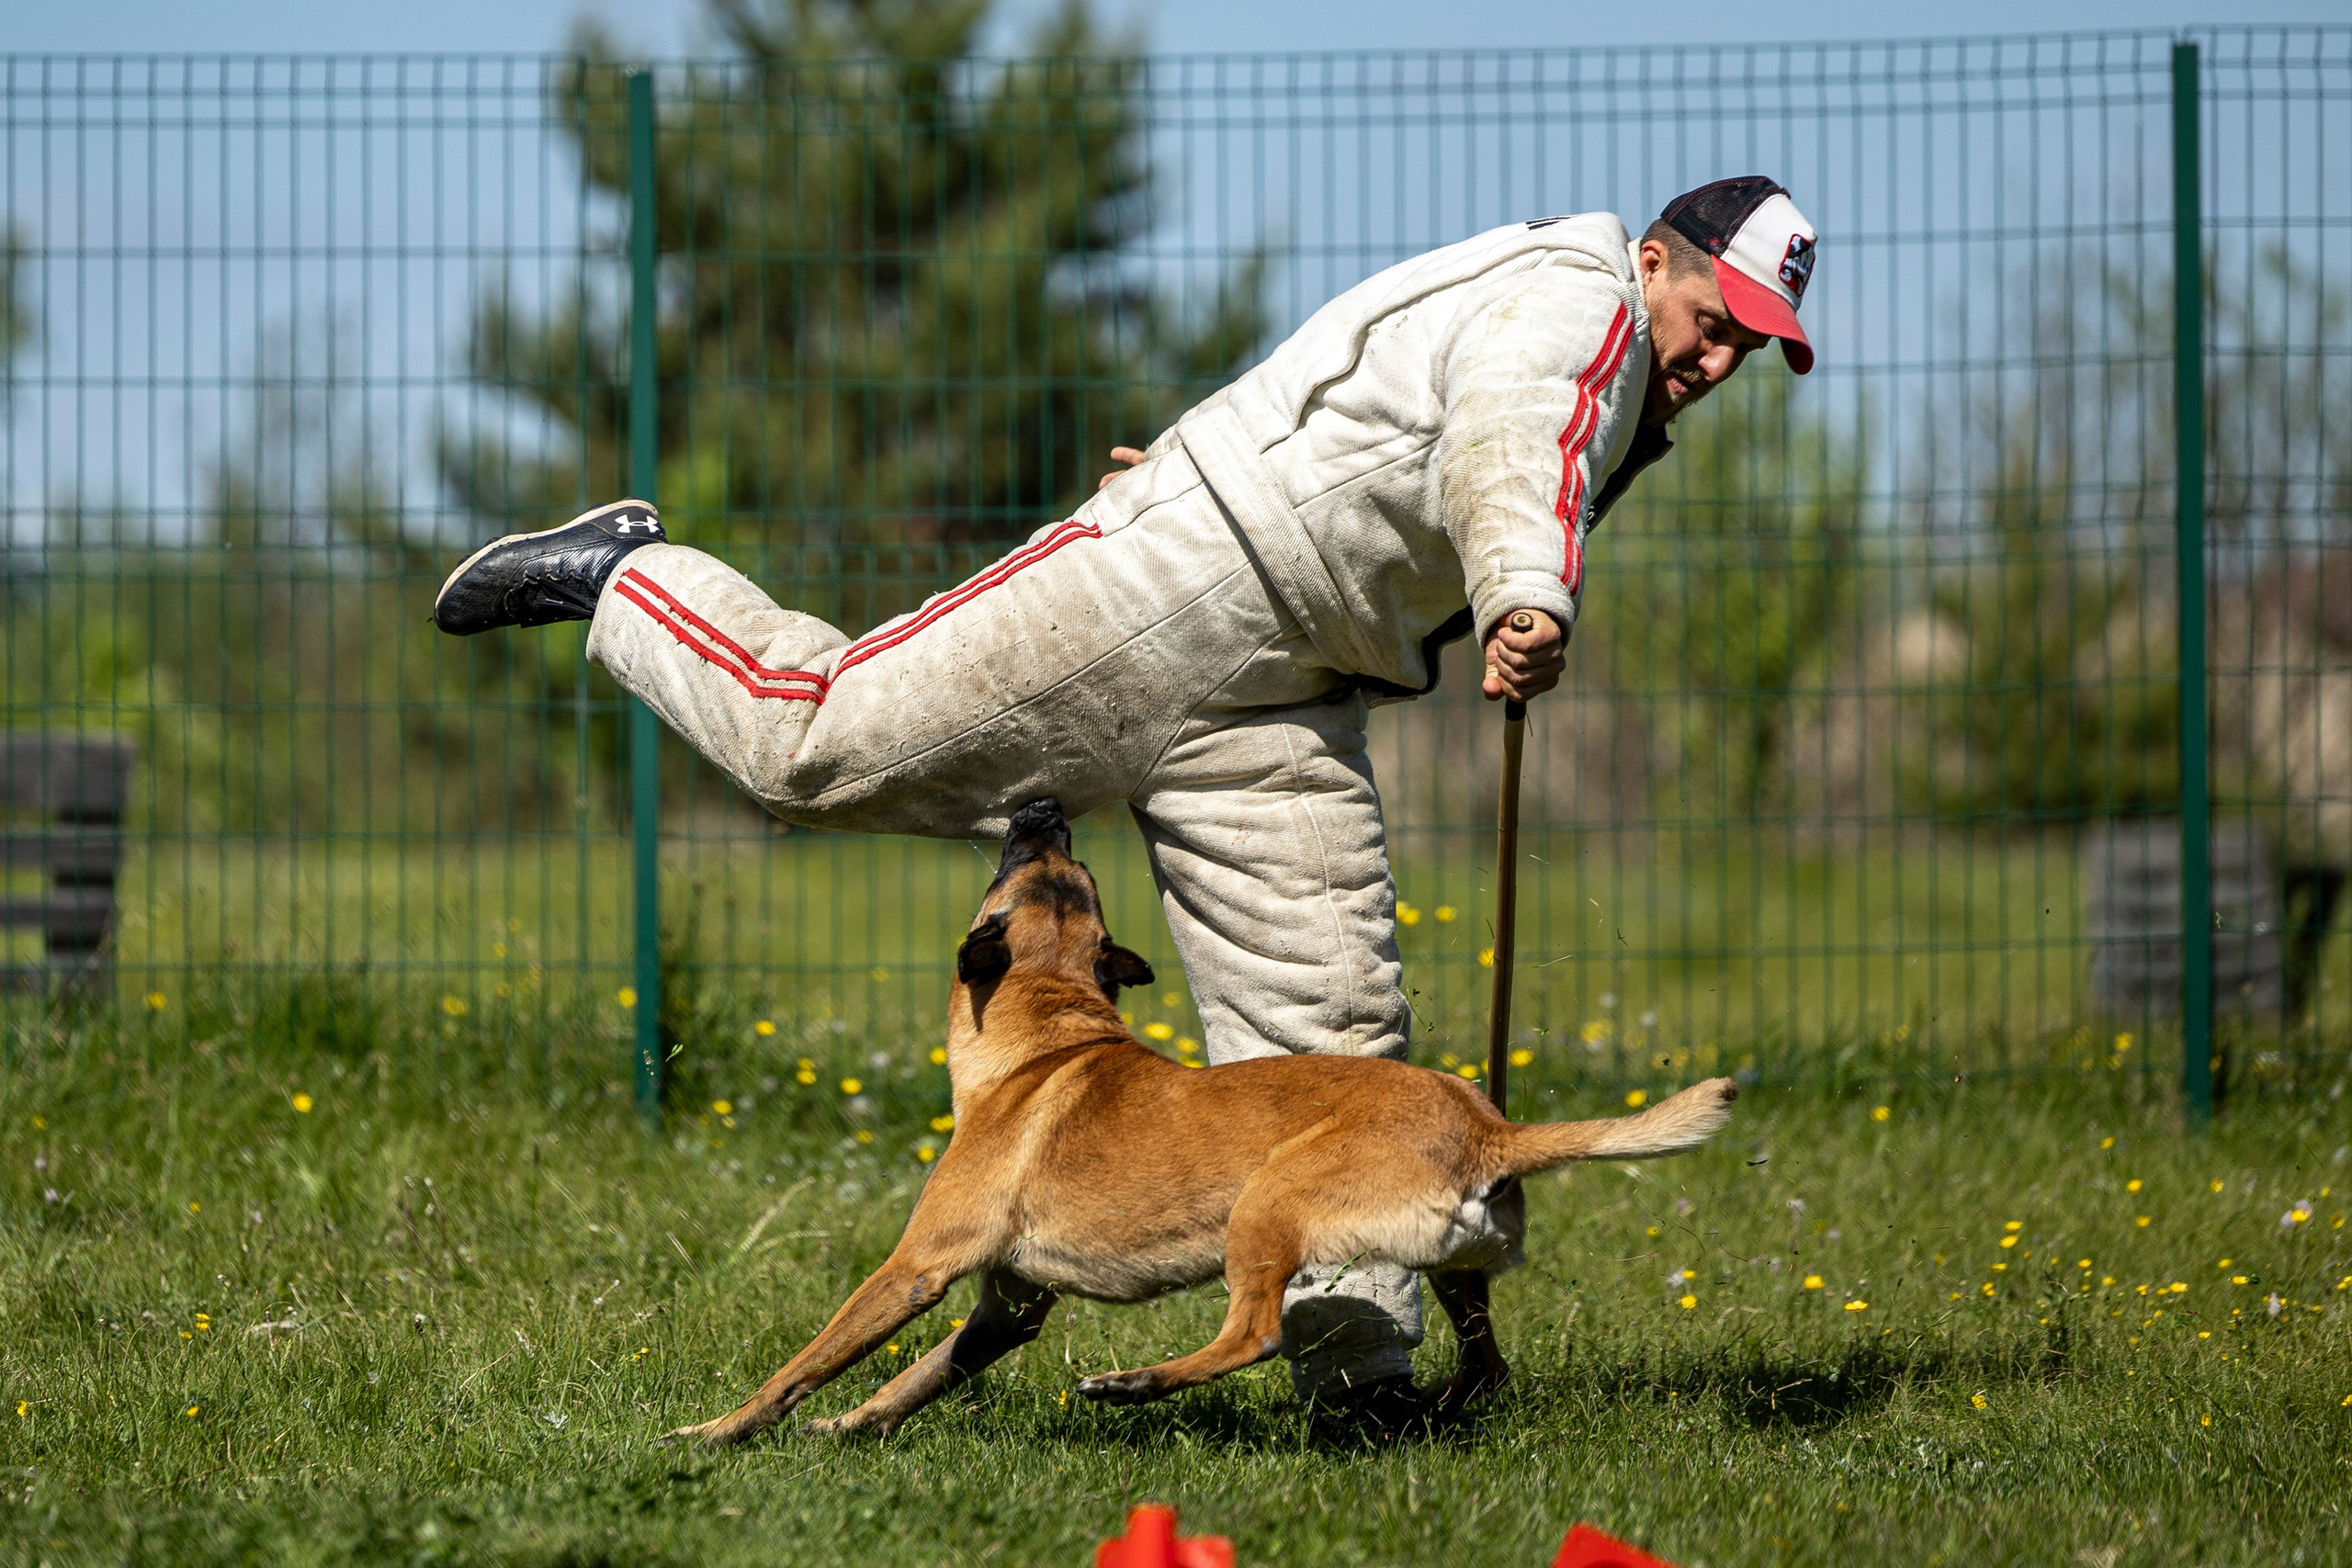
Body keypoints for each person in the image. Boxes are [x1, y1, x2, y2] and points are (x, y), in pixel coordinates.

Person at [432, 174, 1818, 1427]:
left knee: (1332, 1029)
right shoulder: (1582, 310)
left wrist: (1212, 460)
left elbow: (1347, 408)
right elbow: (1507, 442)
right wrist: (1525, 588)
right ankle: (623, 574)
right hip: (1177, 600)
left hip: (1295, 680)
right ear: (1652, 260)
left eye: (1748, 346)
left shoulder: (1614, 365)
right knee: (816, 747)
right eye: (1714, 316)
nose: (1717, 356)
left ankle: (1363, 1395)